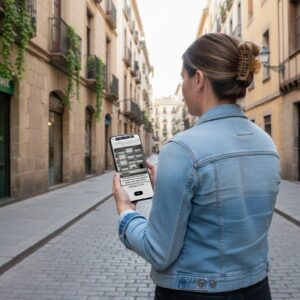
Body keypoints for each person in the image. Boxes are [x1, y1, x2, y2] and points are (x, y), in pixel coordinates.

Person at [112, 33, 281, 300]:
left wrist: (125, 211)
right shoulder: (267, 144)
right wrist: (168, 183)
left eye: (183, 77)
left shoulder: (182, 149)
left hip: (192, 292)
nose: (183, 86)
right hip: (257, 289)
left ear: (199, 79)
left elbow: (158, 251)